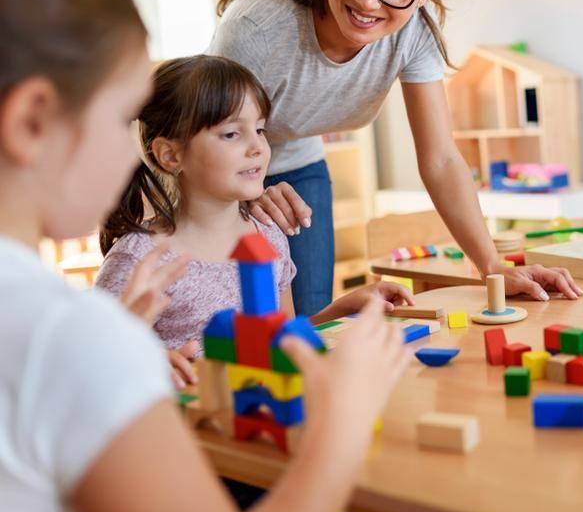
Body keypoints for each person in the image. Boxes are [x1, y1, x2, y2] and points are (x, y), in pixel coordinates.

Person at [0, 0, 409, 512]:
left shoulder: (68, 327)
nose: (130, 151)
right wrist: (344, 424)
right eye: (123, 116)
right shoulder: (64, 334)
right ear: (32, 121)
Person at [211, 0, 582, 317]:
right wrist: (245, 193)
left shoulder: (412, 35)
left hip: (296, 168)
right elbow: (198, 137)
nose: (367, 2)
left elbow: (441, 159)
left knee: (308, 328)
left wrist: (492, 266)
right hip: (211, 168)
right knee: (228, 324)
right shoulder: (258, 28)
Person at [95, 55, 415, 388]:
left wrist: (344, 308)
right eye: (232, 134)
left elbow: (282, 340)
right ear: (171, 155)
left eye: (260, 129)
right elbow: (94, 370)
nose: (257, 147)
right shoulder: (139, 260)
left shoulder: (269, 236)